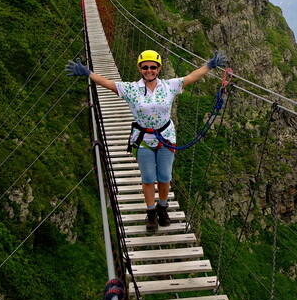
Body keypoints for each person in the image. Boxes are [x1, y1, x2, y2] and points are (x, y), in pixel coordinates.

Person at [66, 49, 228, 231]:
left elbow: (191, 77)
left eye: (153, 67)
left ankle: (163, 208)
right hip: (143, 138)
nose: (149, 70)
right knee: (148, 177)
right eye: (145, 67)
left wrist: (209, 65)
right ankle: (151, 213)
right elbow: (107, 82)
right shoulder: (130, 89)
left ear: (159, 68)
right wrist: (87, 72)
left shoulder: (170, 86)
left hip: (166, 136)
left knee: (165, 176)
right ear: (140, 68)